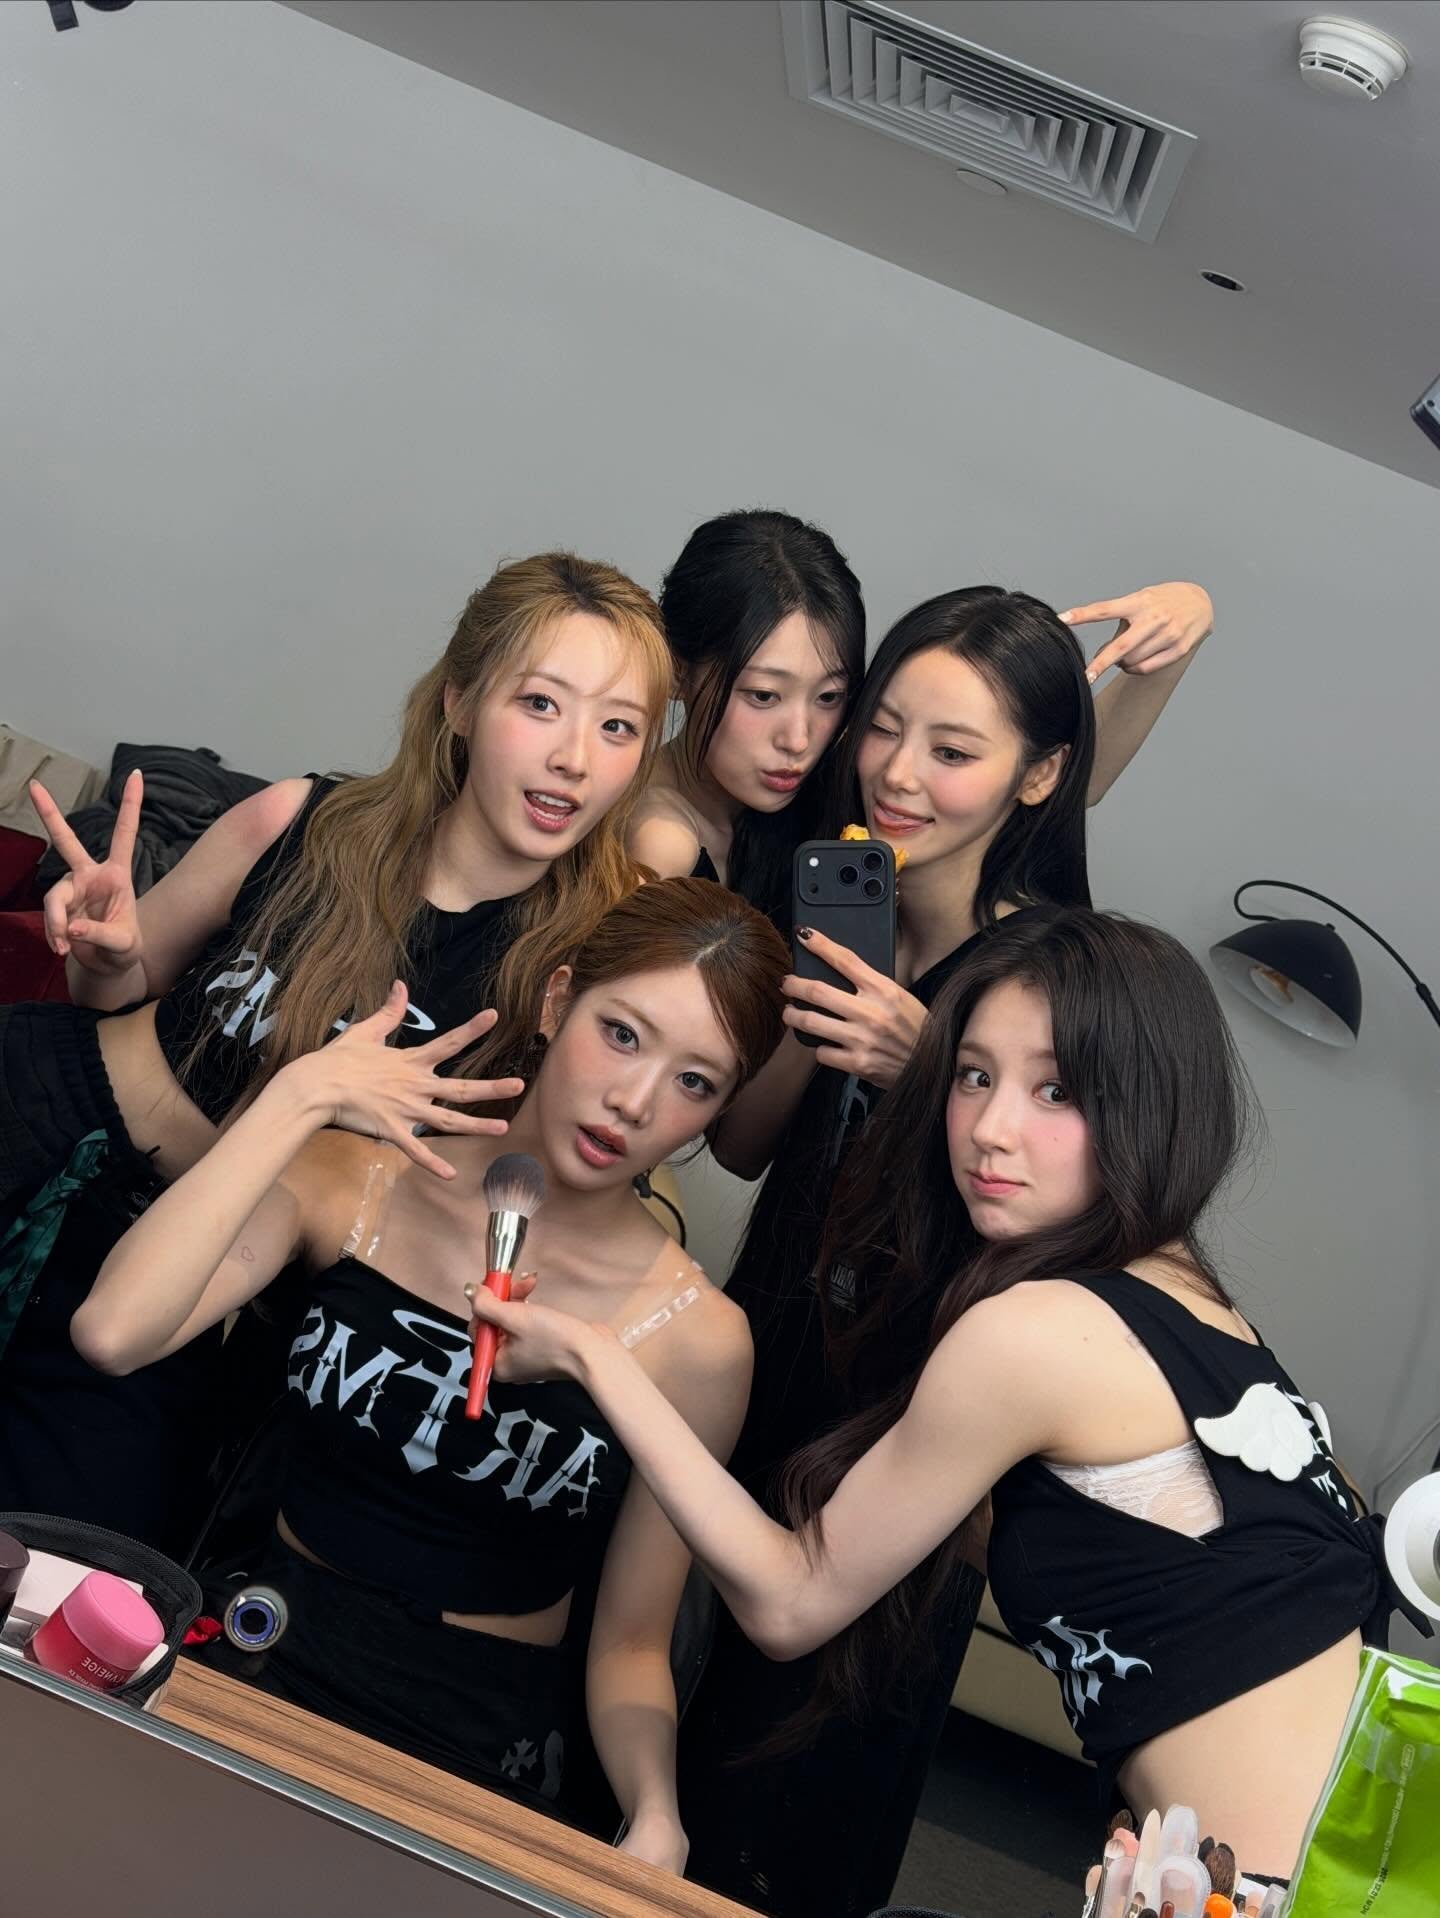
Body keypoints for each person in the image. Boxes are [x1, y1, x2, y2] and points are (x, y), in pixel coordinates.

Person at [466, 908, 1413, 1885]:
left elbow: (790, 1601)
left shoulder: (1038, 1330)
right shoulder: (1201, 1309)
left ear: (1151, 1106)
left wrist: (597, 1357)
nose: (990, 1131)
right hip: (1344, 1862)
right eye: (973, 1075)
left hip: (1288, 1892)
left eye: (1056, 1089)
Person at [74, 878, 789, 1870]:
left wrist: (655, 1809)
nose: (635, 1101)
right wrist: (300, 1096)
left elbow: (631, 1642)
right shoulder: (358, 1178)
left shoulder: (699, 1339)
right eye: (622, 1034)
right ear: (558, 1001)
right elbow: (113, 1331)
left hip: (470, 1736)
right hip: (264, 1646)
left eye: (695, 1082)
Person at [0, 552, 673, 1549]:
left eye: (618, 726)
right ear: (458, 702)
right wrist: (112, 951)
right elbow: (116, 994)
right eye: (541, 704)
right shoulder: (303, 819)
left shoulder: (576, 974)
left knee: (65, 1565)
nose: (576, 757)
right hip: (38, 1125)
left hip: (193, 1280)